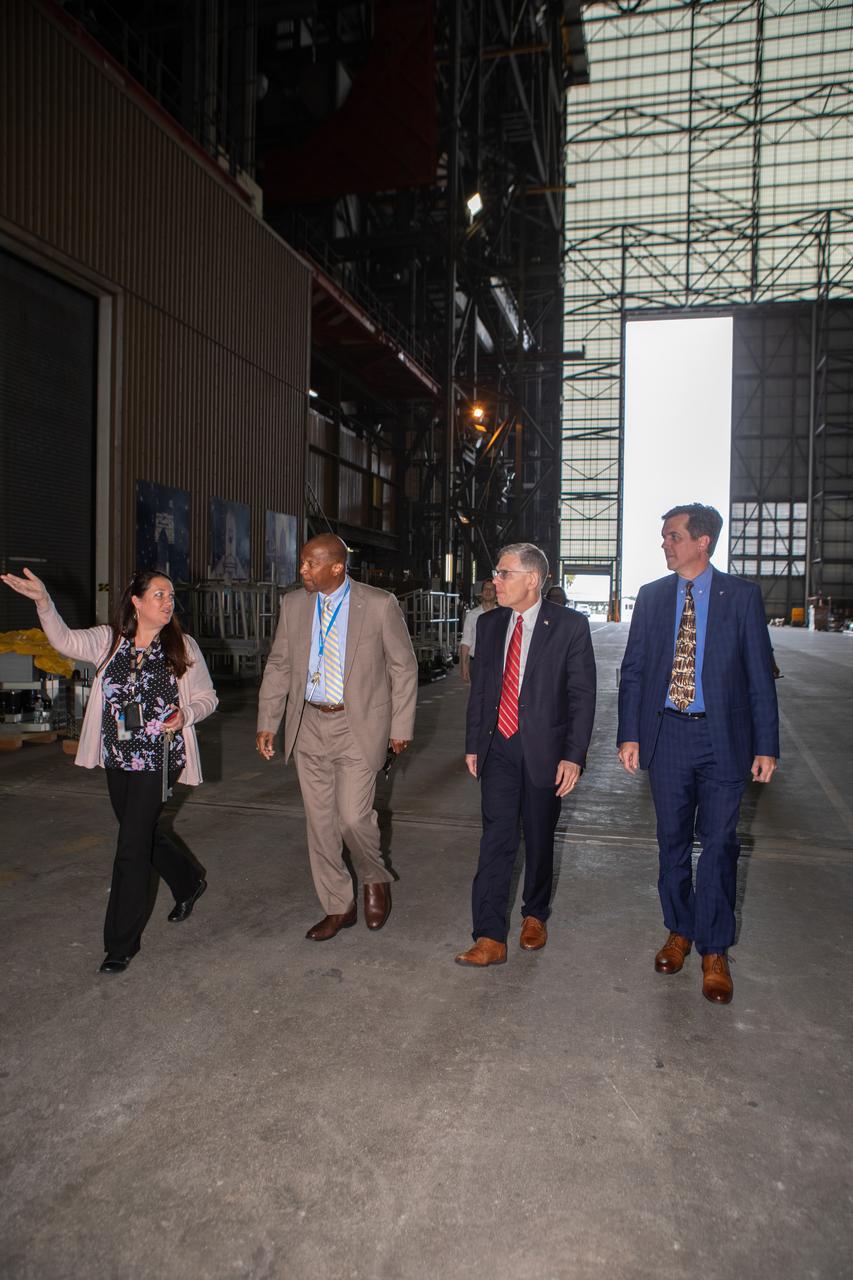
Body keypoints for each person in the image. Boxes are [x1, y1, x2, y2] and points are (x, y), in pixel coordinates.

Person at [1, 567, 218, 974]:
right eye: (159, 595)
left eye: (171, 596)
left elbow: (208, 697)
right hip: (118, 756)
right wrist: (43, 601)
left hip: (159, 758)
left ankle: (120, 943)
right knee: (143, 833)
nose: (168, 602)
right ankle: (189, 881)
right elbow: (63, 640)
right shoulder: (109, 641)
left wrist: (186, 713)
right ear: (136, 601)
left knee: (131, 846)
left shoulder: (182, 646)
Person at [616, 504, 779, 1005]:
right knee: (671, 842)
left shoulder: (742, 598)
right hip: (668, 736)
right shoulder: (652, 597)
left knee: (720, 846)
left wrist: (766, 745)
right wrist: (630, 734)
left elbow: (759, 675)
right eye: (664, 536)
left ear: (702, 542)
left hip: (724, 740)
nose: (665, 543)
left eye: (673, 536)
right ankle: (678, 930)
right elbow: (635, 670)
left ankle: (713, 949)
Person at [256, 533, 418, 941]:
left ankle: (373, 876)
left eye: (311, 564)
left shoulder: (379, 604)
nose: (302, 570)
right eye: (303, 563)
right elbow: (278, 664)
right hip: (308, 722)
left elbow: (403, 667)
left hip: (357, 724)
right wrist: (268, 719)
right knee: (320, 823)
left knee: (352, 816)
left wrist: (400, 727)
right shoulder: (294, 604)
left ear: (337, 567)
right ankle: (338, 905)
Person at [457, 542, 597, 966]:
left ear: (532, 580)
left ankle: (535, 913)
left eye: (504, 573)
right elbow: (481, 690)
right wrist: (472, 744)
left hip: (545, 752)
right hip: (498, 745)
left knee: (538, 837)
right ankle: (489, 935)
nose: (494, 581)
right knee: (496, 838)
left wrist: (573, 756)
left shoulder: (570, 626)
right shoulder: (489, 623)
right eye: (496, 574)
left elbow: (582, 695)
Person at [458, 580, 498, 683]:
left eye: (491, 589)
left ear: (496, 593)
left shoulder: (501, 616)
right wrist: (464, 666)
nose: (488, 591)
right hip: (476, 664)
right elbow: (466, 642)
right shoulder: (472, 615)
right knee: (477, 696)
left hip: (495, 663)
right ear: (481, 592)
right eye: (485, 589)